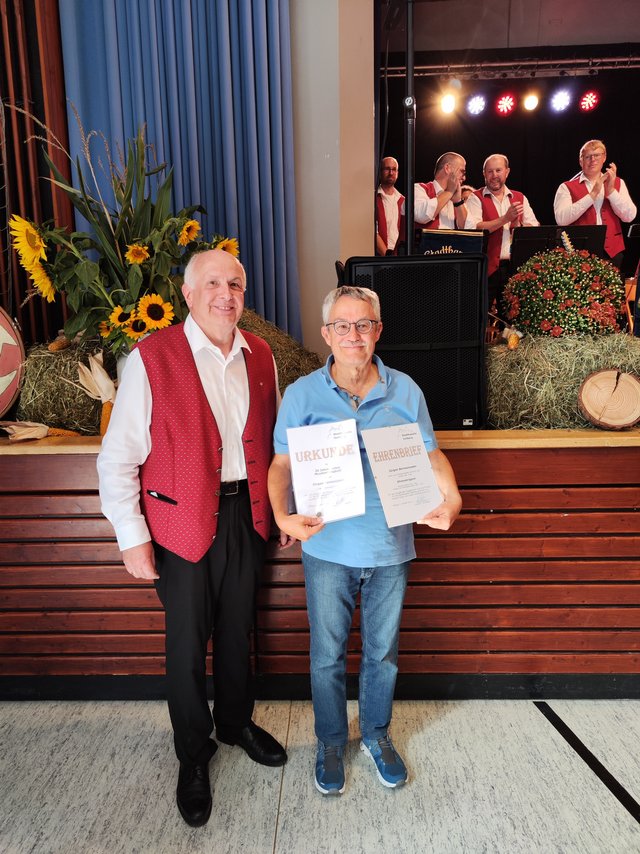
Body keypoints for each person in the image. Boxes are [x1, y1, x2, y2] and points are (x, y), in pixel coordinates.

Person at [97, 247, 288, 828]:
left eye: (235, 282)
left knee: (238, 631)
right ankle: (193, 751)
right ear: (186, 294)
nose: (225, 293)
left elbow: (276, 446)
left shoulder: (262, 356)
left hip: (246, 516)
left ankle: (233, 722)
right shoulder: (151, 357)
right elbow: (117, 459)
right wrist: (132, 537)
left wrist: (280, 511)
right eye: (212, 282)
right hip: (177, 524)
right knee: (185, 647)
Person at [268, 286, 462, 796]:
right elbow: (282, 464)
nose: (353, 335)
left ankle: (376, 735)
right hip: (327, 549)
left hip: (390, 547)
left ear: (378, 330)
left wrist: (454, 495)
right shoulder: (301, 396)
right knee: (326, 655)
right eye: (342, 326)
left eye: (363, 325)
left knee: (382, 654)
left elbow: (431, 453)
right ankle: (331, 741)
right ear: (326, 333)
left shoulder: (405, 391)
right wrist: (280, 515)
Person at [465, 153, 539, 305]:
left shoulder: (520, 197)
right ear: (484, 174)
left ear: (507, 172)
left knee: (511, 319)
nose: (494, 175)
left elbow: (534, 229)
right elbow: (476, 229)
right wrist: (505, 219)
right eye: (490, 171)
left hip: (514, 269)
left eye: (498, 170)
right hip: (486, 269)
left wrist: (518, 225)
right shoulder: (475, 197)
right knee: (481, 317)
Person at [553, 139, 637, 269]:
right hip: (579, 253)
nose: (593, 160)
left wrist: (611, 192)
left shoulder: (618, 182)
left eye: (597, 155)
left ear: (604, 157)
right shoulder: (566, 187)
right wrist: (592, 195)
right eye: (588, 157)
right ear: (581, 161)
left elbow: (629, 216)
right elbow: (561, 219)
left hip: (612, 253)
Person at [412, 151, 468, 234]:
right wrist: (449, 192)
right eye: (462, 172)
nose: (464, 178)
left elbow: (469, 230)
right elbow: (421, 216)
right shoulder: (418, 189)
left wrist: (458, 202)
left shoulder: (457, 197)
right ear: (447, 168)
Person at [376, 156, 405, 256]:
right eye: (387, 169)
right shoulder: (374, 198)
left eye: (394, 169)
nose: (391, 173)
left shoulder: (403, 200)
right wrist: (387, 257)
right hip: (379, 257)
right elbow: (372, 231)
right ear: (380, 172)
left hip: (399, 256)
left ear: (397, 173)